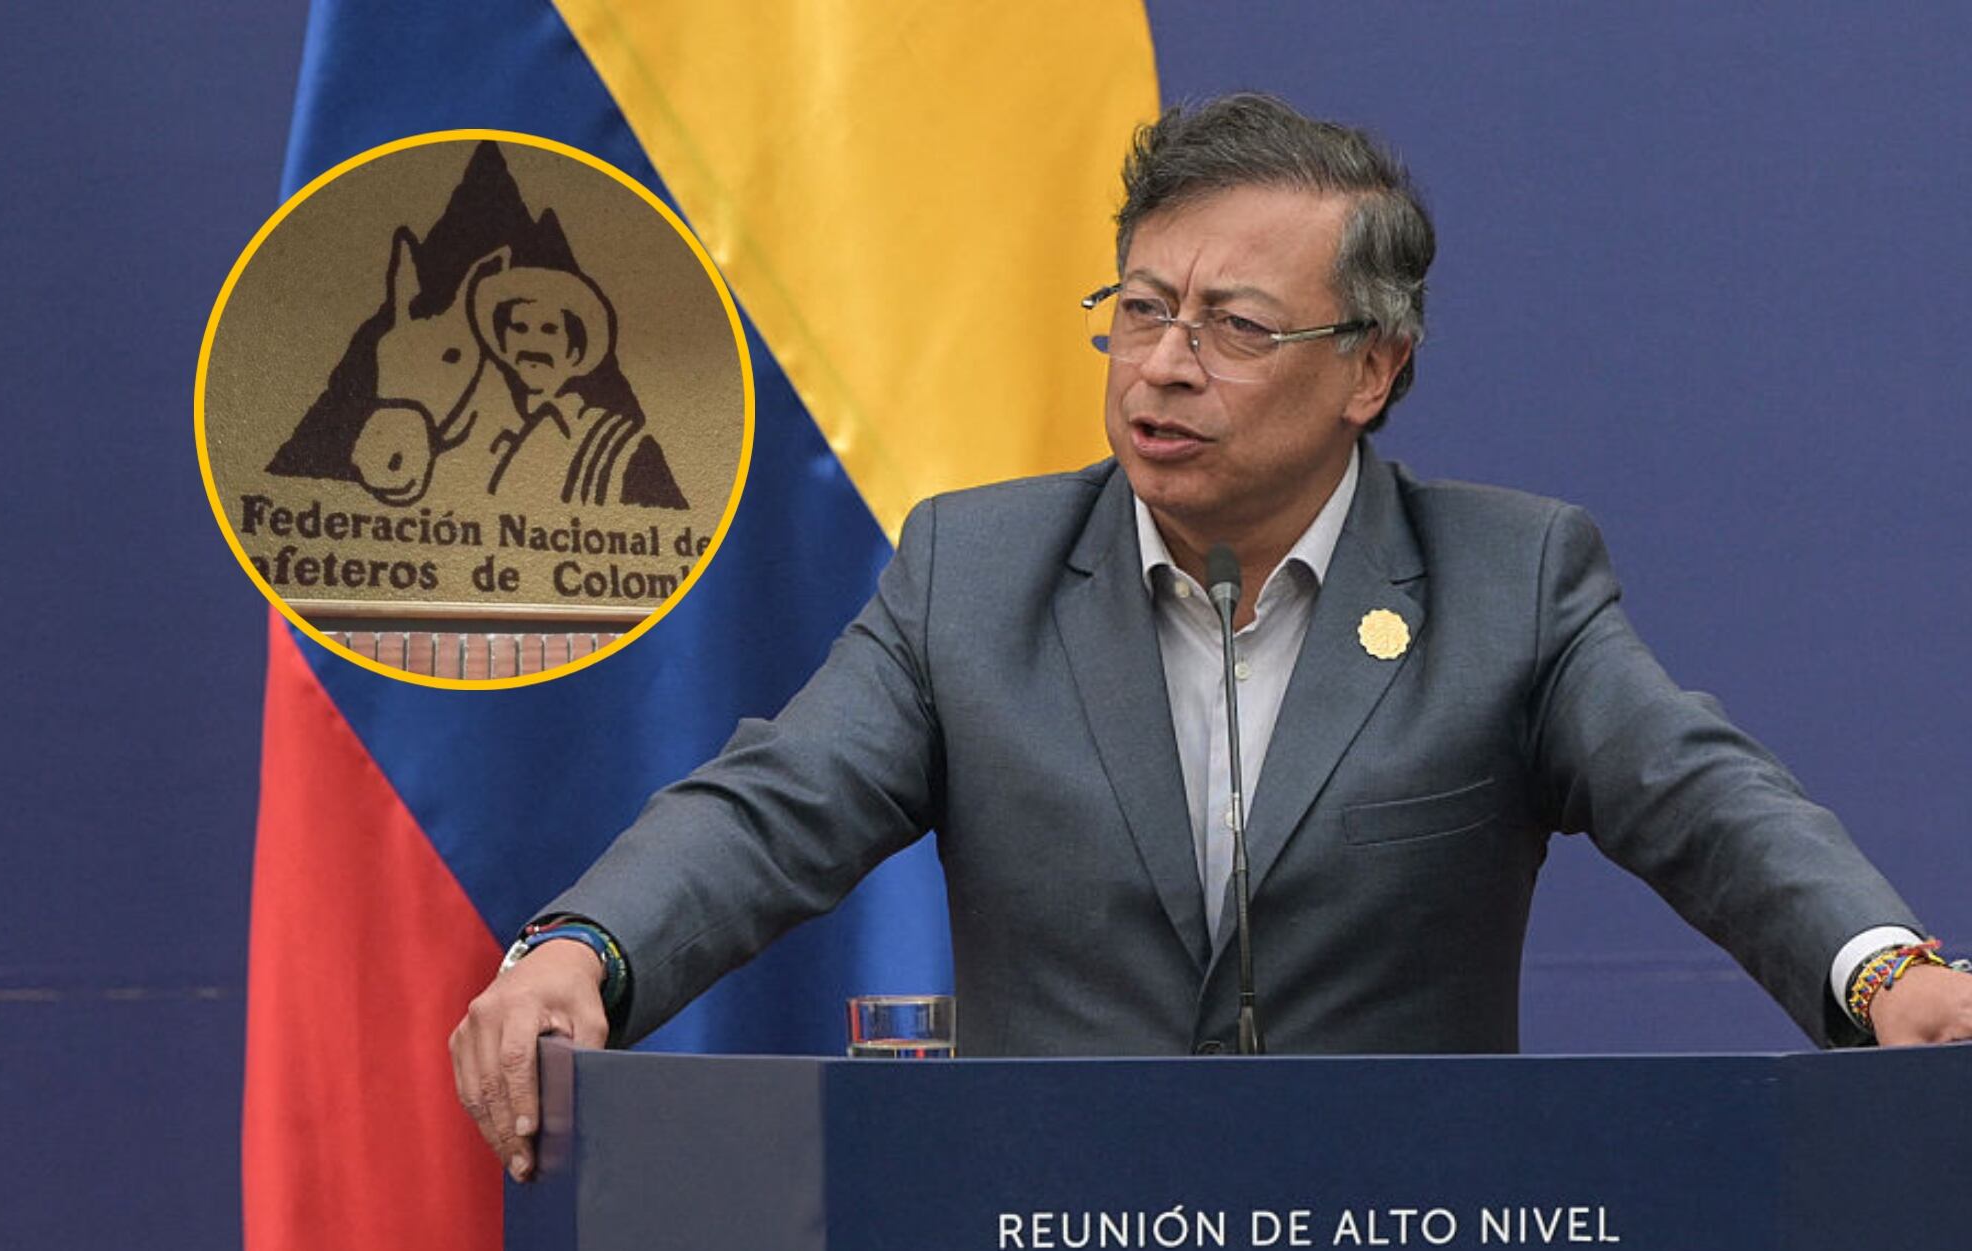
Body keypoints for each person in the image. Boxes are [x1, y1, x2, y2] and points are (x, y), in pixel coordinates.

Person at [451, 94, 1972, 1180]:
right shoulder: (973, 573)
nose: (1162, 368)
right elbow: (778, 801)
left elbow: (1706, 800)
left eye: (1234, 328)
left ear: (1371, 370)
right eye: (1138, 309)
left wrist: (1886, 971)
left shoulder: (1509, 583)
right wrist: (580, 949)